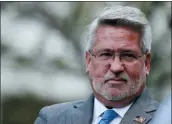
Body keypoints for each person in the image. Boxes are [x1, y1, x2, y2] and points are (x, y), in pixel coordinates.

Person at [34, 6, 159, 124]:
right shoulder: (52, 119)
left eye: (128, 55)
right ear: (88, 61)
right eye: (105, 54)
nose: (116, 67)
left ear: (146, 63)